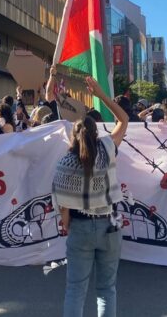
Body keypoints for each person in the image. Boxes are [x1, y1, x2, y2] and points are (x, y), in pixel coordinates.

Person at [52, 76, 128, 317]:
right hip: (109, 226)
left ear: (72, 136)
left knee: (75, 289)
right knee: (107, 289)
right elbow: (123, 119)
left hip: (80, 227)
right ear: (96, 133)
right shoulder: (106, 149)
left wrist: (68, 225)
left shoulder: (65, 163)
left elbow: (63, 208)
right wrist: (101, 94)